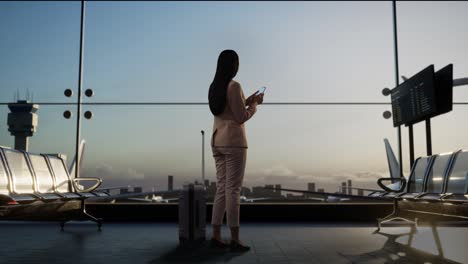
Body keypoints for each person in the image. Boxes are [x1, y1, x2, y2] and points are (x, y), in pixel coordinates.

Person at [208, 50, 264, 252]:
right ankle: (235, 238)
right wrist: (255, 105)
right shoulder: (234, 86)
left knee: (222, 188)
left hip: (217, 140)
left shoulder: (215, 87)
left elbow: (229, 110)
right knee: (233, 190)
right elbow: (241, 117)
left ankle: (215, 234)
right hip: (233, 142)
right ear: (234, 65)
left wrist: (247, 100)